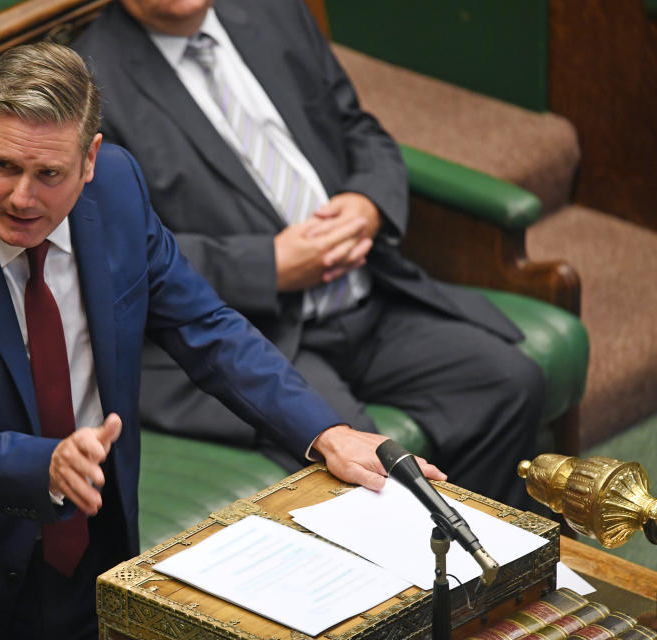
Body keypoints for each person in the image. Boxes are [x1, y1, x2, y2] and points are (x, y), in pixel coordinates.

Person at [0, 42, 442, 640]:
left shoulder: (118, 193)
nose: (21, 196)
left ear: (90, 160)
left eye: (48, 174)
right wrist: (43, 465)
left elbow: (206, 329)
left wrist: (325, 433)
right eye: (3, 166)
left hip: (89, 554)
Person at [72, 0, 545, 509]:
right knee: (366, 464)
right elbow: (117, 247)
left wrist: (369, 202)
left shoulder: (271, 10)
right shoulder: (91, 80)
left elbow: (358, 128)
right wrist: (266, 266)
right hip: (258, 332)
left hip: (368, 294)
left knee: (509, 383)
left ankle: (487, 571)